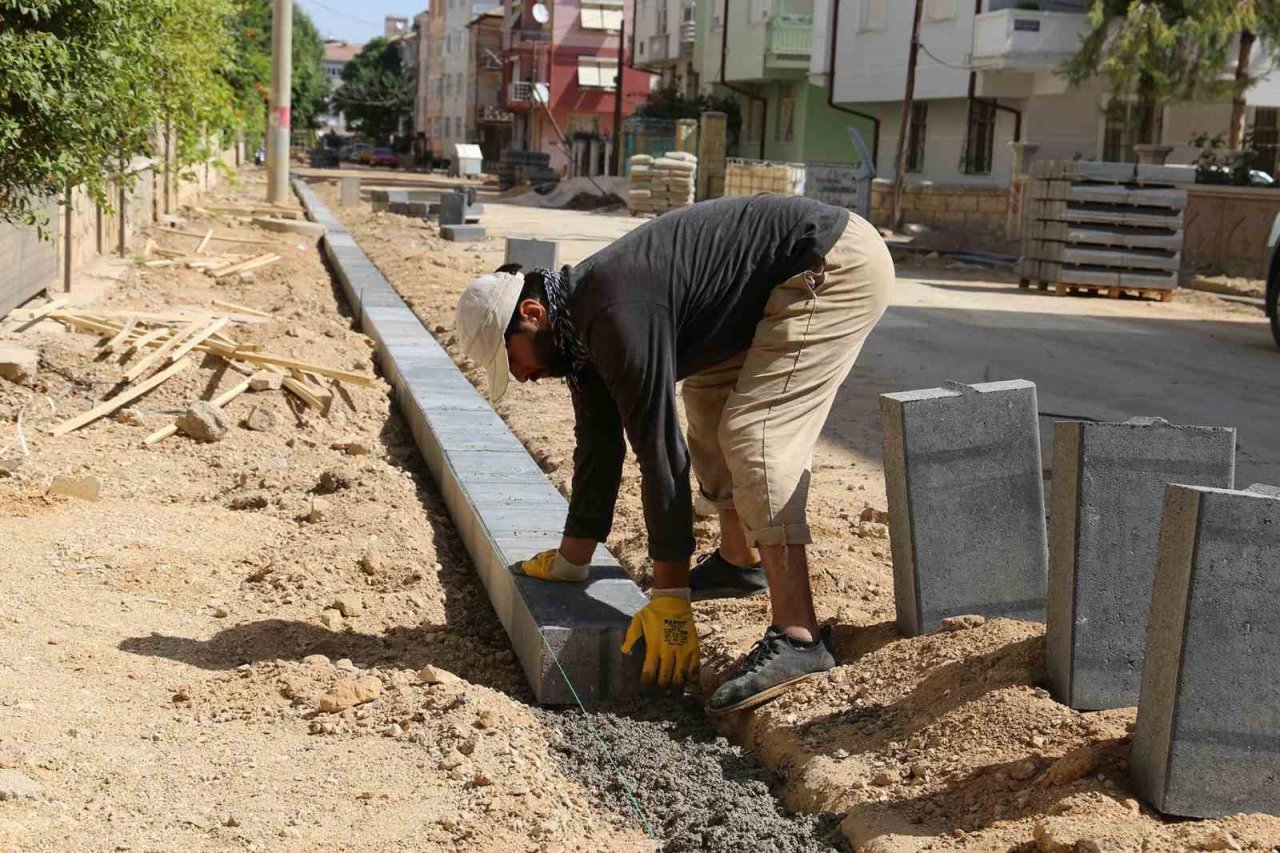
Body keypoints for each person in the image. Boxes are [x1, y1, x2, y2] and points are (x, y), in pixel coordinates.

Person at [455, 194, 893, 714]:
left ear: (532, 314)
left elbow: (659, 454)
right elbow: (598, 445)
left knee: (755, 434)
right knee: (707, 401)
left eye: (513, 361)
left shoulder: (613, 313)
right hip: (771, 283)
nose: (523, 378)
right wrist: (573, 559)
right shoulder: (573, 333)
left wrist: (671, 599)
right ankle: (740, 562)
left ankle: (799, 637)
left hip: (828, 262)